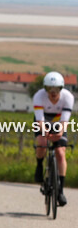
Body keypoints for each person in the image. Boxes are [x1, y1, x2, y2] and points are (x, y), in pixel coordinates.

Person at [33, 71, 73, 206]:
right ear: (45, 89)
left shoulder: (68, 97)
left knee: (61, 153)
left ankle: (60, 191)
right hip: (43, 121)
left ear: (61, 89)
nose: (53, 92)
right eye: (50, 89)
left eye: (56, 89)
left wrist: (59, 133)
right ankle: (39, 165)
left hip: (58, 123)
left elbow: (65, 121)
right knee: (42, 142)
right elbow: (39, 120)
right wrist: (45, 133)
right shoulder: (38, 96)